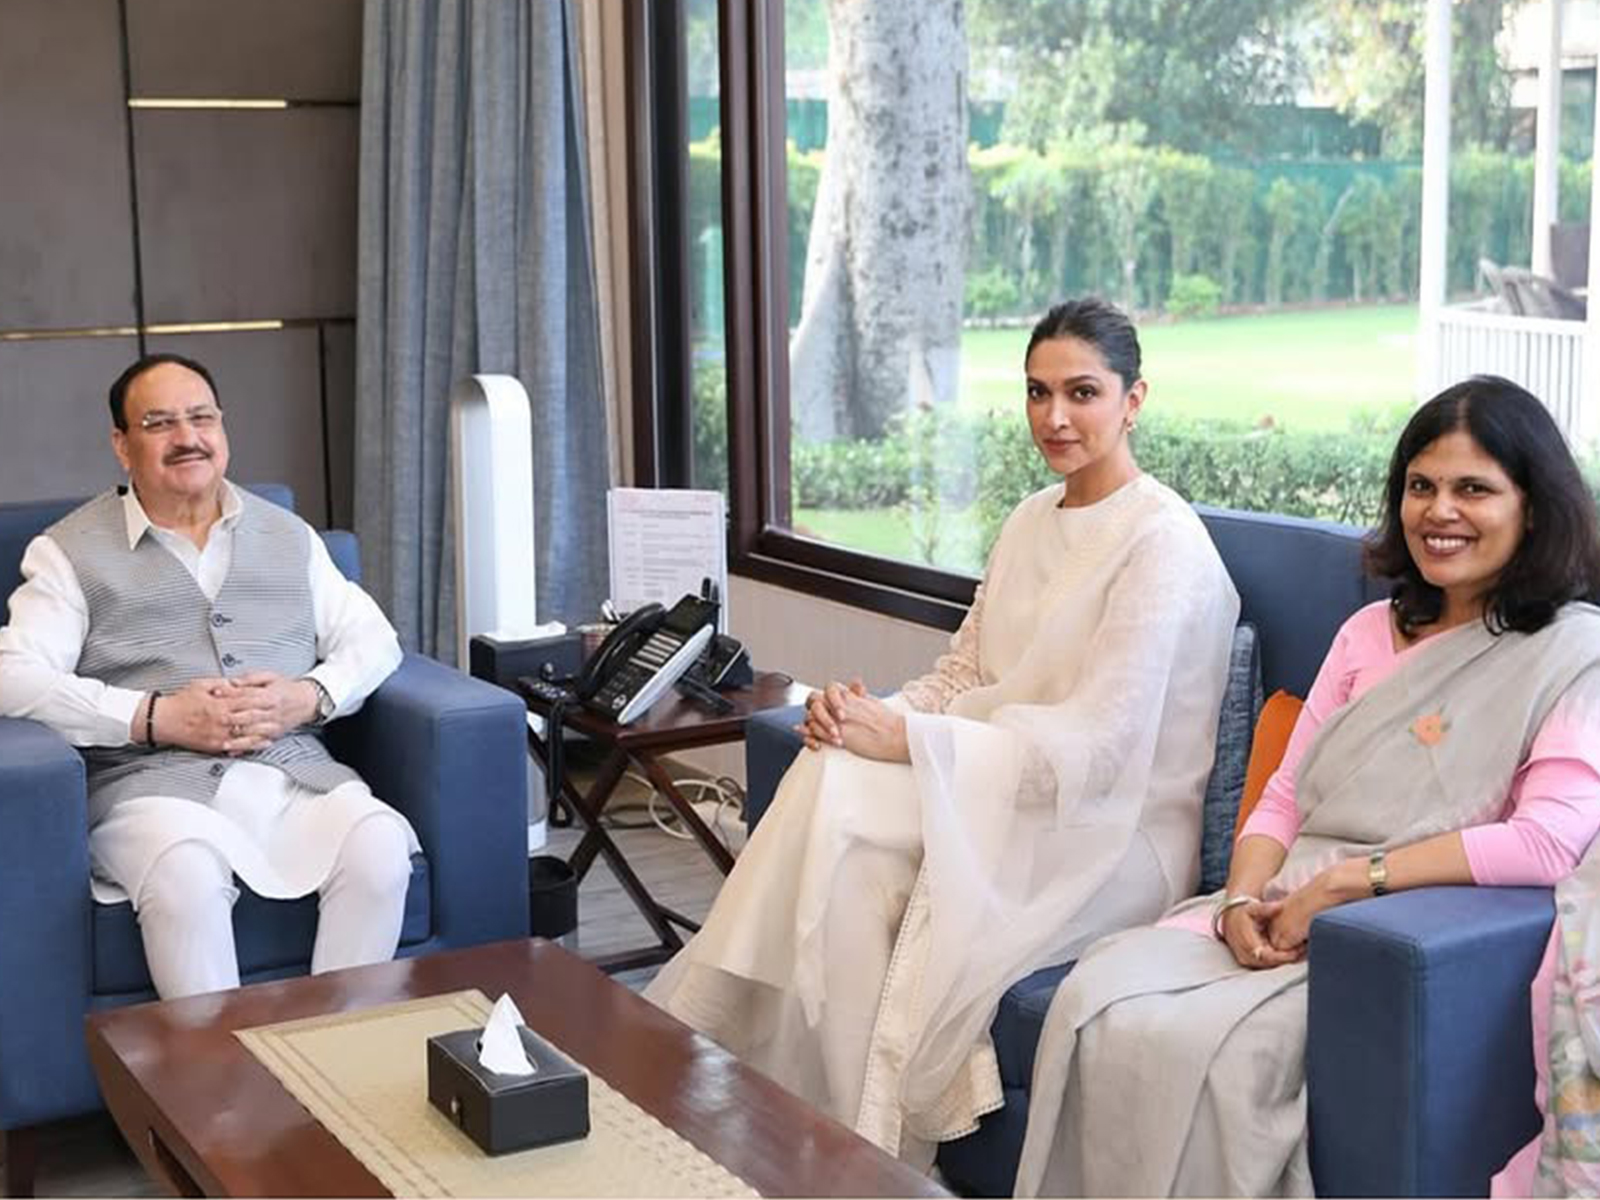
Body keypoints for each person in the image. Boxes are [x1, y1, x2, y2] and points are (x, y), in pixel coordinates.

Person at [645, 298, 1241, 1165]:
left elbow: (1102, 753)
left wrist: (912, 743)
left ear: (1134, 400)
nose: (1055, 417)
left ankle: (708, 1056)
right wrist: (871, 718)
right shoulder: (1030, 520)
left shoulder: (1165, 546)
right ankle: (837, 1141)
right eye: (1038, 393)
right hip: (997, 780)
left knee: (843, 800)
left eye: (1082, 393)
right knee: (834, 781)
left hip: (1113, 832)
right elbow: (966, 675)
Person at [1014, 374, 1600, 1198]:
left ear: (1533, 508)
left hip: (1384, 925)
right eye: (1421, 486)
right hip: (1277, 899)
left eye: (1475, 489)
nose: (1440, 511)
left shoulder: (1574, 652)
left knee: (1216, 1053)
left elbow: (1548, 839)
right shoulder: (1369, 630)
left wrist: (1344, 886)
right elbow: (1288, 793)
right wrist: (1235, 906)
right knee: (1099, 997)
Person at [0, 353, 417, 1000]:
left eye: (201, 418)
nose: (187, 437)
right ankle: (217, 1093)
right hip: (149, 790)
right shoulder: (66, 552)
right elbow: (13, 675)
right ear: (122, 444)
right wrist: (152, 716)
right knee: (186, 877)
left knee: (380, 846)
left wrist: (307, 696)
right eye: (159, 423)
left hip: (291, 773)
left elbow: (374, 640)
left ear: (222, 428)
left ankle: (336, 1058)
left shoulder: (288, 534)